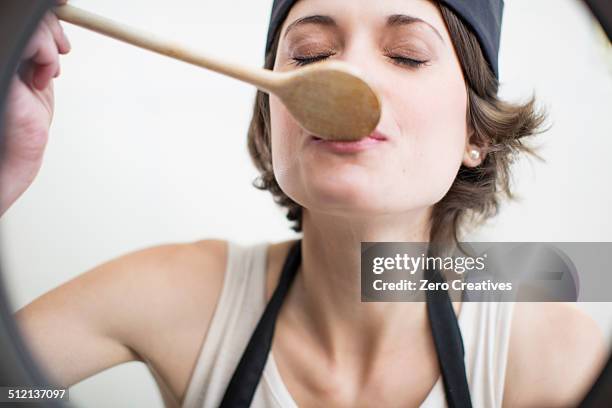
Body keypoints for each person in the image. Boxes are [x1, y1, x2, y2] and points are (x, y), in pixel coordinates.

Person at [2, 0, 608, 407]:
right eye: (312, 54)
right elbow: (16, 389)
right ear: (273, 120)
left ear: (476, 133)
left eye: (407, 55)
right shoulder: (179, 296)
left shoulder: (547, 352)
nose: (352, 74)